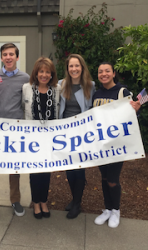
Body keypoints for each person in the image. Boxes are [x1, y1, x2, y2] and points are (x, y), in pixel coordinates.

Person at [0, 43, 30, 222]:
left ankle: (15, 201)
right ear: (2, 57)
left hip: (16, 128)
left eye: (12, 54)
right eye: (5, 54)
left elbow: (28, 101)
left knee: (14, 168)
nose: (8, 57)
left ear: (17, 57)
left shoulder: (25, 78)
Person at [93, 62, 140, 228]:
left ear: (113, 73)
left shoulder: (122, 91)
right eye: (100, 72)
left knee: (113, 180)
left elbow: (132, 114)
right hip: (101, 145)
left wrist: (136, 109)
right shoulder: (96, 93)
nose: (104, 74)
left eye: (107, 71)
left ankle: (116, 211)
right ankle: (107, 209)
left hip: (117, 145)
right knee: (104, 178)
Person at [22, 57, 61, 219]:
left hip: (50, 137)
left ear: (52, 74)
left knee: (46, 171)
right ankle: (36, 202)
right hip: (32, 137)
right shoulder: (26, 88)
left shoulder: (57, 89)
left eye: (47, 72)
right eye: (41, 71)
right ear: (36, 73)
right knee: (34, 171)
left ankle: (44, 200)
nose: (44, 75)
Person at [59, 54, 95, 219]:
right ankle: (74, 199)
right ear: (67, 69)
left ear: (82, 67)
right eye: (71, 66)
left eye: (77, 66)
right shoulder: (61, 85)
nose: (74, 69)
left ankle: (77, 203)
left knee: (79, 169)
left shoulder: (90, 86)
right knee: (69, 168)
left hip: (82, 134)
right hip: (65, 134)